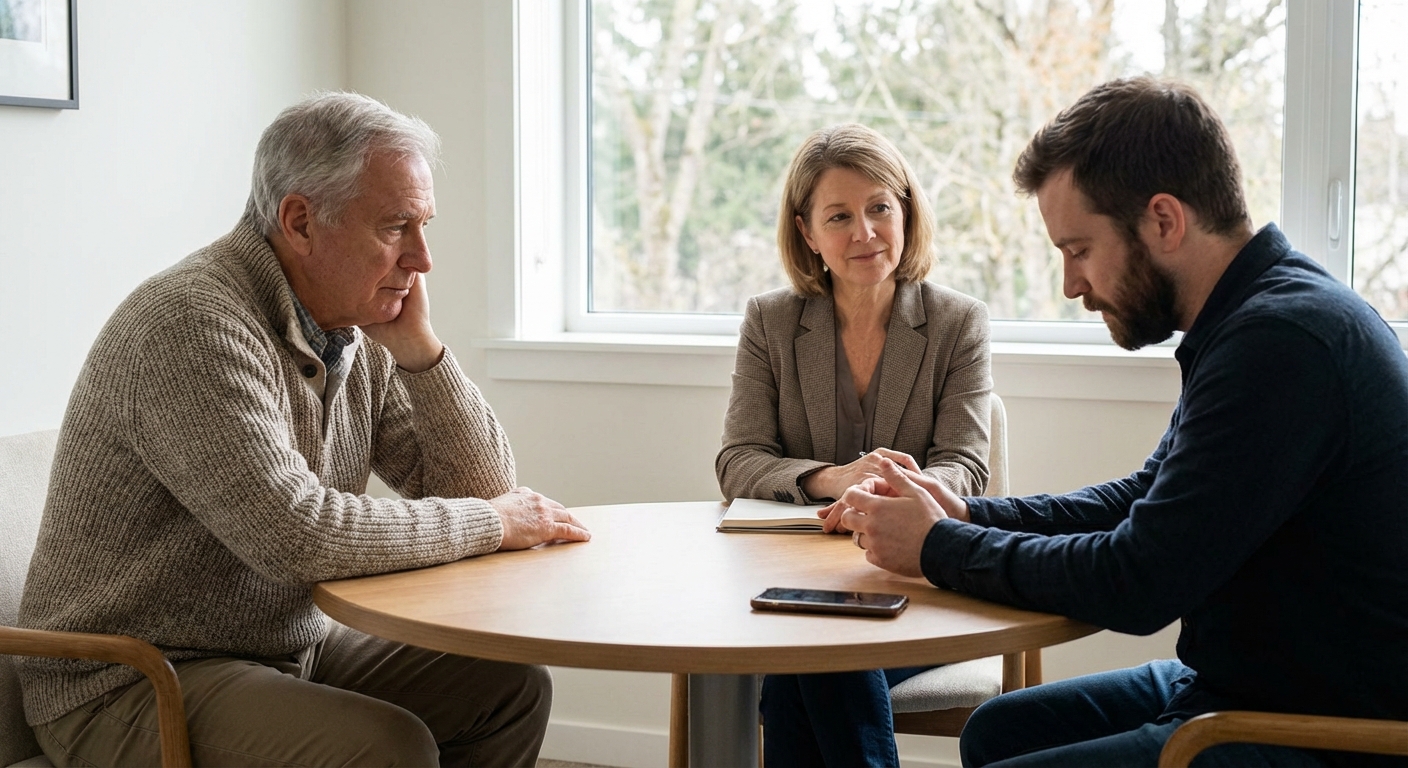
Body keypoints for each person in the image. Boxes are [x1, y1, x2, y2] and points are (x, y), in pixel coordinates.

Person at [838, 77, 1408, 767]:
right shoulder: (1253, 317)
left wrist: (939, 548)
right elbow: (1145, 496)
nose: (1072, 285)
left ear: (1163, 220)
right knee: (997, 732)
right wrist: (968, 514)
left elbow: (1138, 581)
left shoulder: (1283, 344)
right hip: (1249, 686)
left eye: (1079, 250)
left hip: (1321, 728)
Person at [16, 91, 592, 767]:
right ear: (300, 221)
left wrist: (421, 353)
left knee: (507, 686)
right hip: (131, 680)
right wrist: (492, 523)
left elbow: (486, 487)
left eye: (424, 225)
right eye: (396, 227)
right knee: (388, 747)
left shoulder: (357, 326)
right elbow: (298, 536)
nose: (423, 259)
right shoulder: (192, 327)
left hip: (285, 647)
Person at [716, 122, 993, 767]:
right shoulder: (771, 321)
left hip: (925, 582)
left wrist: (890, 494)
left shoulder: (957, 322)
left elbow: (969, 467)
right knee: (814, 660)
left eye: (879, 209)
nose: (864, 233)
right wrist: (832, 479)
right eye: (839, 216)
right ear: (807, 233)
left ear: (906, 212)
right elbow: (737, 461)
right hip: (797, 584)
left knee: (810, 666)